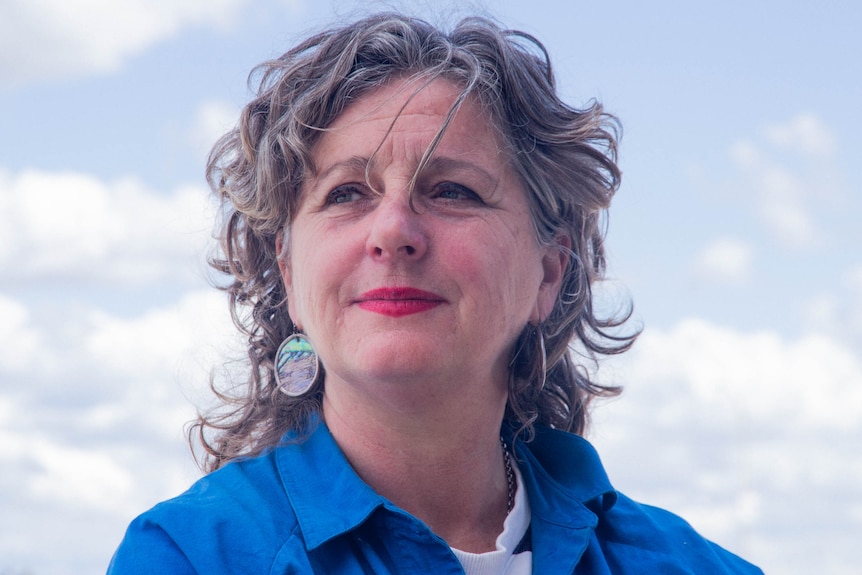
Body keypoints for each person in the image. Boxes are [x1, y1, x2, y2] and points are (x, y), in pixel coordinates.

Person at [108, 13, 763, 574]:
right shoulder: (192, 556)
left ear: (549, 271)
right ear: (288, 274)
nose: (393, 230)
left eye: (453, 190)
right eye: (346, 193)